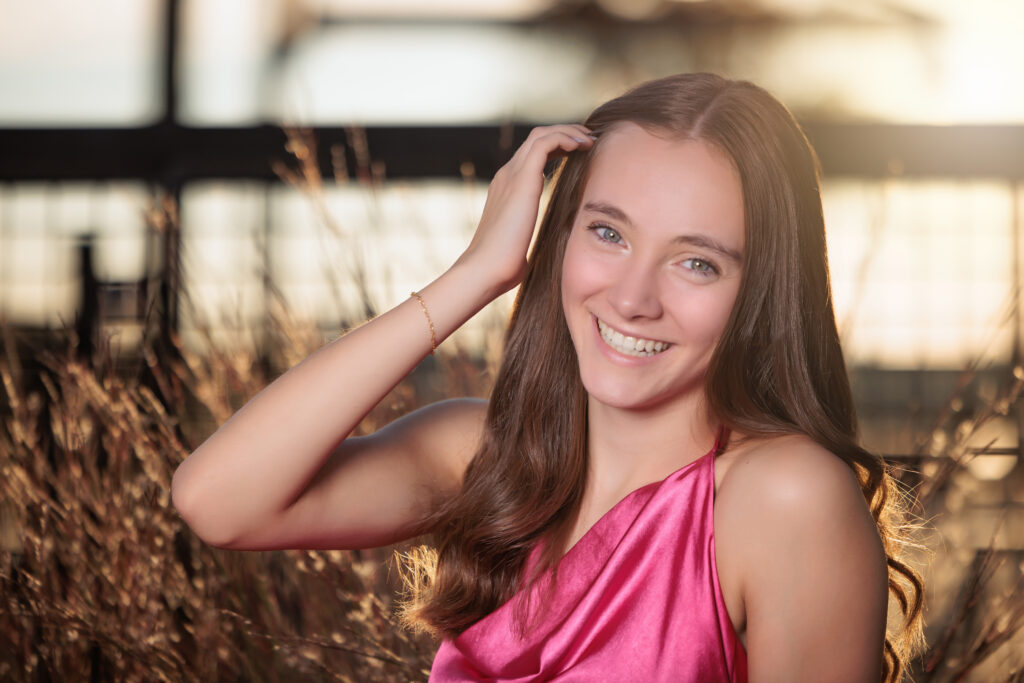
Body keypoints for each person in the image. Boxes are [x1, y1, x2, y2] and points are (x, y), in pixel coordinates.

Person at [171, 72, 924, 682]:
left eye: (697, 261)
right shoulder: (485, 457)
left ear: (761, 290)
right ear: (559, 235)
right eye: (608, 232)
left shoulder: (782, 496)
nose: (632, 297)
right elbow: (217, 500)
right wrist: (474, 275)